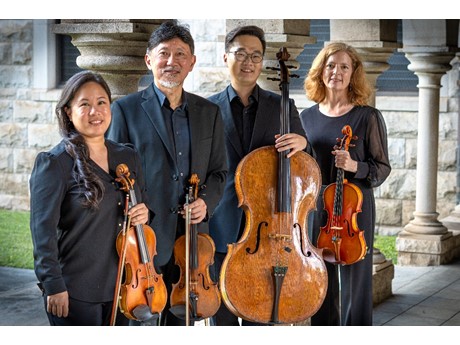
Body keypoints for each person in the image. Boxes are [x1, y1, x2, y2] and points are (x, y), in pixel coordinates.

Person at [106, 20, 227, 326]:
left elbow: (219, 172)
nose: (172, 61)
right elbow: (113, 174)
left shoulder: (209, 113)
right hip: (147, 238)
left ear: (192, 63)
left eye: (180, 54)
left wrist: (207, 203)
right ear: (149, 60)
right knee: (140, 322)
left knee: (181, 321)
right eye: (164, 54)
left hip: (192, 241)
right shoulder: (124, 110)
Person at [29, 70, 152, 326]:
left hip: (123, 286)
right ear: (68, 112)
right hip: (75, 290)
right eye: (84, 104)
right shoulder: (54, 164)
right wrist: (53, 286)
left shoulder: (128, 157)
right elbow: (43, 234)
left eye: (101, 103)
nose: (95, 111)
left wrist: (145, 213)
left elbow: (143, 205)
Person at [208, 25, 311, 326]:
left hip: (267, 231)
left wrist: (303, 144)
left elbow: (307, 166)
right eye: (240, 53)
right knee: (222, 317)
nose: (248, 62)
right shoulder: (206, 109)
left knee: (263, 315)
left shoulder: (282, 106)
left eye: (255, 55)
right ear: (226, 56)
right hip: (221, 226)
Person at [300, 42, 391, 326]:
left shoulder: (367, 117)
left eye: (343, 67)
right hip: (319, 210)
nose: (336, 72)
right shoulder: (306, 118)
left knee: (356, 285)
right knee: (322, 280)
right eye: (330, 66)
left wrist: (355, 166)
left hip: (354, 210)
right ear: (320, 71)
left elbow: (382, 168)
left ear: (353, 74)